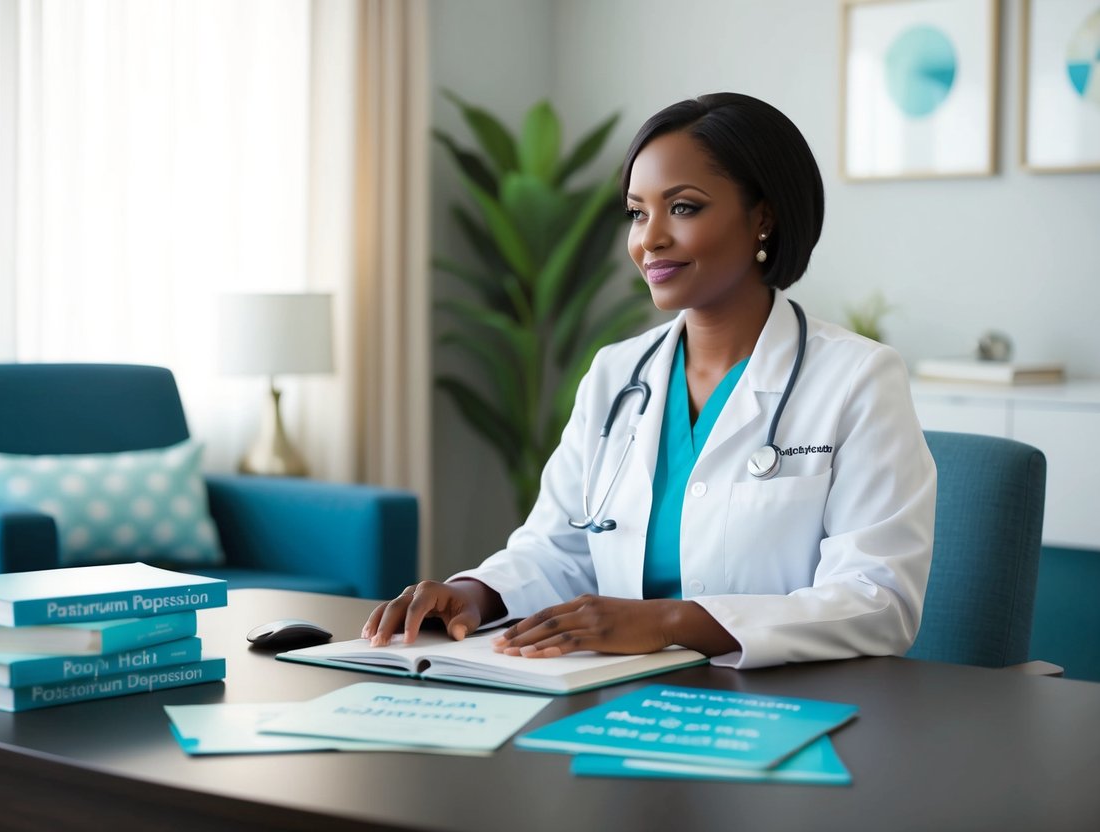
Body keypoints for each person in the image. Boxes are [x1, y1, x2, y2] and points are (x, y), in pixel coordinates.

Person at [364, 93, 936, 669]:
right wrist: (472, 595)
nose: (649, 239)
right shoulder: (616, 373)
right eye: (638, 212)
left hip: (776, 698)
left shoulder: (857, 378)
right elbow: (557, 548)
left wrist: (669, 623)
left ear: (763, 216)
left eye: (683, 208)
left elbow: (878, 600)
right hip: (613, 689)